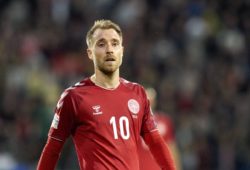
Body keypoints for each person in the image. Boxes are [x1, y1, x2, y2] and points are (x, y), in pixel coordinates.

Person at [37, 19, 175, 170]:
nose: (109, 49)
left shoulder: (138, 93)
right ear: (90, 53)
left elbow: (155, 142)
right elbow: (52, 149)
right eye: (101, 44)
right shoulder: (74, 97)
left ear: (121, 51)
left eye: (115, 43)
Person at [138, 87, 182, 170]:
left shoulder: (164, 121)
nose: (149, 102)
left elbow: (172, 148)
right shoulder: (133, 122)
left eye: (151, 99)